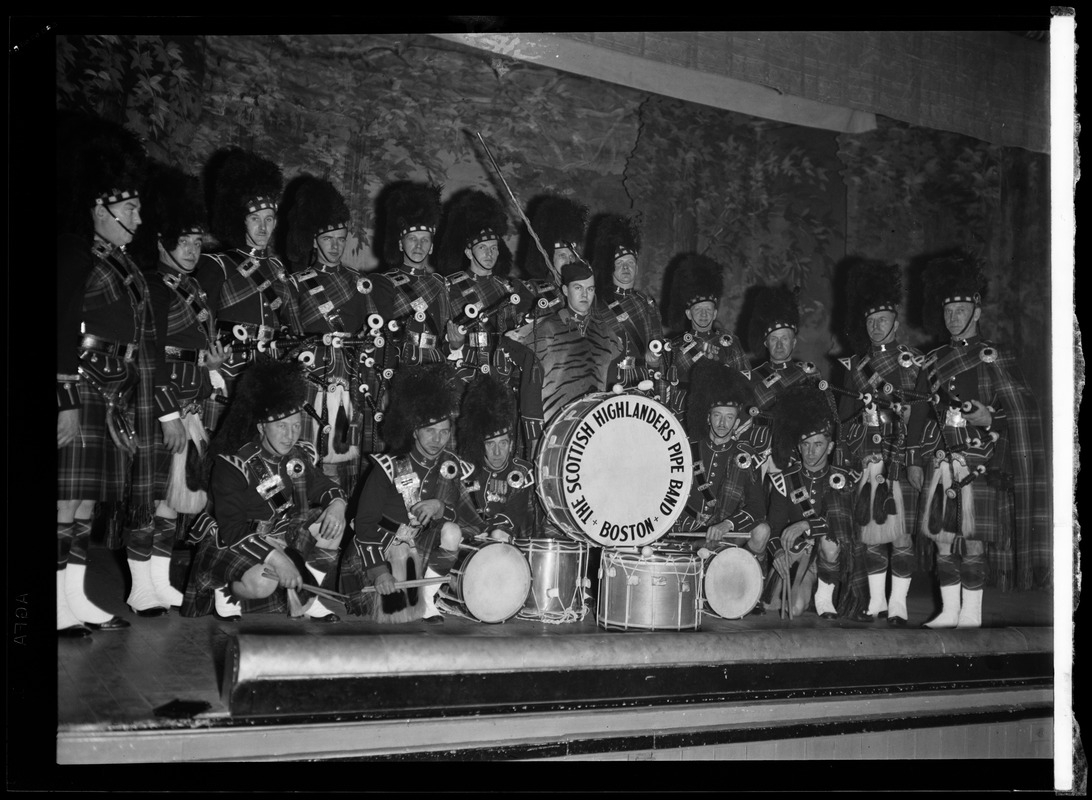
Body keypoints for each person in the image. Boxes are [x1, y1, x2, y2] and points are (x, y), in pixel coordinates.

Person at [904, 250, 1050, 628]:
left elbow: (1024, 412)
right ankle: (949, 610)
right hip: (940, 463)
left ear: (977, 312)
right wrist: (914, 460)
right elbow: (918, 415)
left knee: (971, 540)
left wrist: (991, 416)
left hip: (979, 461)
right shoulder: (933, 361)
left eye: (960, 311)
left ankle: (970, 614)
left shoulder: (993, 357)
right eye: (948, 312)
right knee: (941, 538)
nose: (953, 319)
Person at [56, 112, 150, 636]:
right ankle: (50, 606)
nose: (137, 219)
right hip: (81, 385)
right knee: (63, 501)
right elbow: (59, 322)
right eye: (129, 208)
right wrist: (63, 395)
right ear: (100, 205)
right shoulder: (73, 251)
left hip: (110, 387)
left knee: (85, 504)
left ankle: (75, 601)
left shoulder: (117, 259)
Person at [126, 161, 226, 615]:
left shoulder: (190, 286)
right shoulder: (154, 286)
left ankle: (161, 581)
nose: (190, 249)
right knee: (148, 500)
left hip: (191, 404)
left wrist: (213, 370)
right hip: (159, 405)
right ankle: (138, 586)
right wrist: (167, 412)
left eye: (194, 242)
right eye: (182, 242)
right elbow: (151, 353)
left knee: (173, 502)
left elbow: (192, 348)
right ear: (162, 243)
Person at [180, 359, 347, 623]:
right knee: (262, 583)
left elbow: (325, 488)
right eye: (281, 426)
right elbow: (232, 530)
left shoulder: (297, 456)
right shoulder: (232, 464)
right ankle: (225, 590)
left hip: (280, 533)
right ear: (261, 427)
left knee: (333, 523)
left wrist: (337, 505)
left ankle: (307, 598)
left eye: (295, 426)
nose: (290, 435)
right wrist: (279, 561)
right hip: (233, 541)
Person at [341, 363, 485, 623]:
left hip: (419, 546)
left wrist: (441, 508)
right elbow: (363, 523)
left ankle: (428, 600)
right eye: (430, 431)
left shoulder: (449, 465)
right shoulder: (389, 466)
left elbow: (463, 516)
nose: (438, 439)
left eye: (444, 432)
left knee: (452, 532)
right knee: (391, 611)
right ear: (415, 430)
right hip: (377, 547)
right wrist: (379, 572)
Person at [282, 174, 394, 491]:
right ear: (314, 240)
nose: (335, 246)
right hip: (309, 383)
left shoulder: (359, 281)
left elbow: (375, 333)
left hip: (352, 381)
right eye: (329, 238)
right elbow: (288, 336)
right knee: (306, 454)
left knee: (350, 462)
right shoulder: (296, 283)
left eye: (341, 238)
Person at [835, 258, 924, 626]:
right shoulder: (855, 367)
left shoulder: (915, 362)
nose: (876, 326)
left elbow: (926, 416)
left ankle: (899, 604)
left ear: (895, 322)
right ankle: (876, 602)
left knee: (901, 539)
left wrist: (907, 417)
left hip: (900, 460)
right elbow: (843, 419)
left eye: (882, 320)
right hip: (867, 460)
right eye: (870, 321)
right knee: (871, 537)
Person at [195, 147, 298, 434]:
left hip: (270, 373)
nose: (263, 226)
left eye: (269, 218)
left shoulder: (278, 268)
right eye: (255, 218)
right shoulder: (218, 265)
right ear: (242, 220)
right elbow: (202, 322)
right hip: (229, 372)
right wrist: (209, 364)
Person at [436, 188, 543, 455]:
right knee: (466, 454)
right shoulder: (450, 288)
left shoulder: (509, 289)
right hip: (464, 382)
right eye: (482, 248)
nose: (489, 254)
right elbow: (439, 340)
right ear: (469, 252)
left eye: (494, 248)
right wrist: (455, 345)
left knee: (502, 458)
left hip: (503, 384)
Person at [666, 360, 770, 605]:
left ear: (737, 422)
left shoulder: (744, 455)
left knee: (762, 530)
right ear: (708, 417)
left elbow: (757, 508)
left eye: (729, 417)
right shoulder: (686, 446)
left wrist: (727, 525)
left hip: (726, 533)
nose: (722, 423)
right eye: (717, 416)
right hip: (686, 528)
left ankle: (750, 592)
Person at [765, 384, 869, 621]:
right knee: (791, 609)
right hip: (795, 554)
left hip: (828, 556)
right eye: (806, 444)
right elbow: (774, 525)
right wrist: (778, 551)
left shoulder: (841, 479)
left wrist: (806, 525)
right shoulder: (785, 480)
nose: (811, 452)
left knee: (830, 544)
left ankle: (825, 596)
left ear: (830, 446)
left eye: (818, 444)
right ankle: (805, 591)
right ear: (798, 446)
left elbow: (843, 526)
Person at [507, 259, 622, 431]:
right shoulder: (546, 329)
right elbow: (527, 383)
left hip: (596, 428)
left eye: (590, 289)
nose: (585, 295)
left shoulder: (606, 333)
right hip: (556, 426)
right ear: (565, 290)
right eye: (578, 288)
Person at [661, 253, 749, 419]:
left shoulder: (729, 343)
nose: (703, 315)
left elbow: (744, 383)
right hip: (683, 415)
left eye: (708, 310)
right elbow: (666, 386)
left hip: (720, 417)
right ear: (688, 313)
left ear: (715, 313)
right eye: (698, 310)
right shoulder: (674, 347)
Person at [378, 181, 454, 366]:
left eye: (424, 240)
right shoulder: (384, 283)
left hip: (437, 366)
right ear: (400, 244)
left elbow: (447, 340)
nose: (419, 246)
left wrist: (456, 342)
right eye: (412, 239)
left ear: (431, 247)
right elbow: (381, 341)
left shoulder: (440, 284)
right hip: (401, 365)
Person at [455, 373, 538, 542]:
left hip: (509, 545)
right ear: (480, 444)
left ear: (512, 444)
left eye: (503, 443)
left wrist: (489, 531)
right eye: (490, 444)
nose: (498, 452)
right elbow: (458, 510)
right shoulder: (466, 470)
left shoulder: (522, 473)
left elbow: (515, 515)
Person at [588, 213, 663, 390]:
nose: (626, 267)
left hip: (642, 383)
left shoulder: (646, 302)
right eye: (619, 262)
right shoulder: (596, 303)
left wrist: (655, 360)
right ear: (610, 268)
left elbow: (658, 345)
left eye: (630, 262)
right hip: (607, 382)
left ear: (637, 268)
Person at [746, 284, 833, 431]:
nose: (779, 345)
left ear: (793, 342)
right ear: (766, 343)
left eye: (784, 339)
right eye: (774, 339)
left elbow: (824, 419)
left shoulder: (809, 374)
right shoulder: (753, 377)